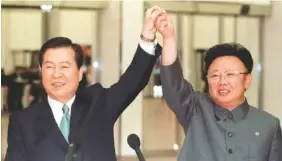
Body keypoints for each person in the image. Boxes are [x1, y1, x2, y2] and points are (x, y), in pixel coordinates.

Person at [5, 6, 164, 161]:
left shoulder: (98, 103)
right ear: (41, 71)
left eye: (65, 66)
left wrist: (147, 38)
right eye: (49, 67)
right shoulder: (23, 121)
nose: (57, 74)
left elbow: (132, 81)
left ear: (80, 72)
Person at [155, 11, 282, 161]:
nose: (222, 81)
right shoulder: (196, 108)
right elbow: (173, 84)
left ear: (247, 80)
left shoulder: (268, 125)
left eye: (230, 74)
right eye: (215, 75)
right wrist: (168, 38)